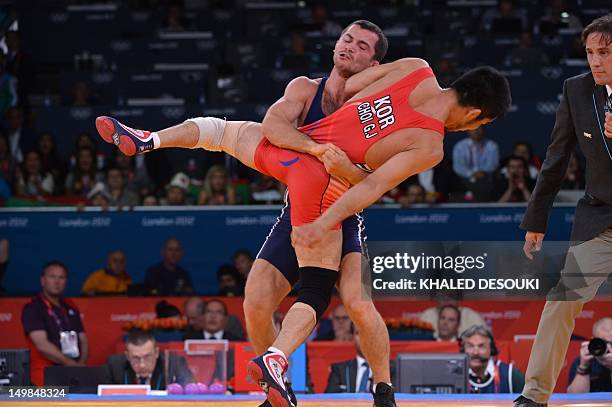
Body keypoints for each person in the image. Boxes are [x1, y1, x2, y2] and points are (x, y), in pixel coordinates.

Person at [97, 56, 510, 407]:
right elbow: (367, 189)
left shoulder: (416, 68)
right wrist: (325, 219)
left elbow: (351, 86)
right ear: (476, 116)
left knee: (217, 132)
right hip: (324, 189)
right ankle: (277, 361)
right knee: (315, 288)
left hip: (295, 149)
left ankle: (149, 138)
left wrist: (365, 119)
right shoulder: (430, 144)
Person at [98, 20, 397, 407]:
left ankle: (383, 387)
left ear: (374, 65)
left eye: (360, 46)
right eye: (346, 39)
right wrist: (318, 153)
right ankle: (277, 389)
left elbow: (372, 185)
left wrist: (336, 168)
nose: (348, 47)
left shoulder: (373, 114)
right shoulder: (305, 88)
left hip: (340, 216)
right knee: (255, 302)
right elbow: (272, 126)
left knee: (356, 303)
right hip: (298, 212)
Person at [516, 14, 612, 407]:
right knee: (562, 299)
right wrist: (537, 221)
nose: (595, 61)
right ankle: (534, 396)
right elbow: (555, 158)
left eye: (604, 52)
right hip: (602, 217)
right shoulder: (577, 90)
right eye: (590, 53)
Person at [21, 261, 89, 385]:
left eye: (61, 277)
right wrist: (72, 365)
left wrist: (81, 365)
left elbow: (83, 338)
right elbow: (42, 345)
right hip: (45, 375)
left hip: (73, 374)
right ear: (43, 280)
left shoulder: (70, 306)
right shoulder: (33, 308)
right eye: (52, 276)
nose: (57, 281)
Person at [105, 328, 192, 389]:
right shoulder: (115, 365)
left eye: (147, 357)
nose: (142, 365)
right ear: (127, 356)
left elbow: (190, 393)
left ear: (156, 353)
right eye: (136, 358)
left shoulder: (174, 364)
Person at [461, 325, 525, 393]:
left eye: (481, 346)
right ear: (463, 349)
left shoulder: (510, 375)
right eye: (470, 346)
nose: (475, 352)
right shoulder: (453, 374)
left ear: (491, 349)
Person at [567, 317, 612, 393]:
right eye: (603, 343)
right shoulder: (583, 360)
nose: (608, 347)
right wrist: (584, 367)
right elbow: (575, 398)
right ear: (593, 341)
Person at [325, 327, 372, 393]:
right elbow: (328, 400)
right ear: (353, 338)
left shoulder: (390, 369)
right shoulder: (339, 370)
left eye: (368, 332)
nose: (363, 337)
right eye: (358, 333)